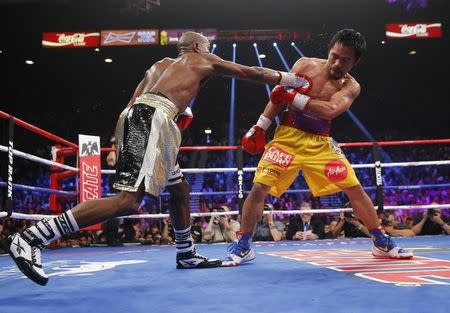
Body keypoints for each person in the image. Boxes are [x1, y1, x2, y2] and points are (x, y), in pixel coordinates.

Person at [5, 31, 310, 286]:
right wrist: (291, 80)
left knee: (179, 189)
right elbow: (252, 72)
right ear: (197, 47)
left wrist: (117, 142)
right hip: (156, 118)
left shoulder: (158, 65)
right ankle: (33, 237)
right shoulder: (202, 58)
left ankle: (186, 252)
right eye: (206, 47)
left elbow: (131, 103)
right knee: (127, 201)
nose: (208, 51)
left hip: (139, 117)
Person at [223, 29, 413, 266]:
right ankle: (243, 246)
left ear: (355, 62)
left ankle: (380, 242)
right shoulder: (305, 64)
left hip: (320, 143)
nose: (337, 63)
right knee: (259, 187)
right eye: (334, 56)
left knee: (354, 188)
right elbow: (278, 97)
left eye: (345, 60)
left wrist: (293, 98)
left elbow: (330, 110)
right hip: (287, 138)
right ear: (330, 50)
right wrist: (260, 125)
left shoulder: (352, 87)